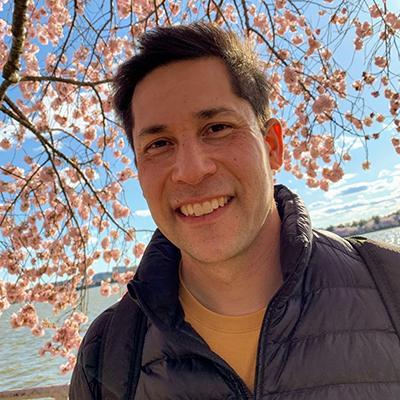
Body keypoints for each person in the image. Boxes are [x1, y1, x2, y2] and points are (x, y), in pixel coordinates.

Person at [70, 23, 400, 399]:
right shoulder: (106, 355)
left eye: (217, 127)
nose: (192, 171)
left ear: (272, 145)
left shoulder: (392, 285)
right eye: (159, 143)